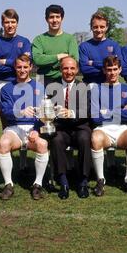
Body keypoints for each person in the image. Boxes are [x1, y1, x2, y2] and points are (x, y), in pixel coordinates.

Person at [0, 54, 48, 200]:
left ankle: (37, 184)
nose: (22, 70)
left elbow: (44, 113)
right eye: (19, 67)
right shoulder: (6, 88)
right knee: (4, 143)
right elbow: (6, 112)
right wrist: (19, 112)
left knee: (43, 144)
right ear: (14, 67)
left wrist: (36, 130)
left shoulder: (39, 87)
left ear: (30, 67)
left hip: (33, 127)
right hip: (14, 128)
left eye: (25, 67)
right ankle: (8, 184)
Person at [90, 56, 127, 196]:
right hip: (103, 129)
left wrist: (107, 112)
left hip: (123, 129)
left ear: (120, 70)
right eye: (109, 70)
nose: (112, 73)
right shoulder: (96, 89)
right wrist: (121, 109)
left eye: (115, 69)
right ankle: (100, 179)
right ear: (104, 70)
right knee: (95, 139)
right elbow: (95, 118)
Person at [46, 56, 92, 199]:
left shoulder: (84, 87)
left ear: (77, 70)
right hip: (61, 128)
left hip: (80, 127)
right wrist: (52, 112)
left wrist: (71, 113)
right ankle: (63, 181)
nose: (69, 71)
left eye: (72, 68)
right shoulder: (52, 87)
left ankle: (83, 182)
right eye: (65, 68)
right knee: (56, 139)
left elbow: (88, 111)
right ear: (61, 69)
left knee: (85, 139)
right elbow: (47, 110)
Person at [32, 4, 79, 86]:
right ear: (46, 19)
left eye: (57, 17)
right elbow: (37, 59)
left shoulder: (70, 39)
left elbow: (74, 60)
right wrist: (59, 56)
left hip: (64, 78)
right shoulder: (39, 39)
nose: (55, 20)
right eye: (51, 17)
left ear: (62, 19)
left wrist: (47, 61)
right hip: (42, 79)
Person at [0, 8, 32, 95]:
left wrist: (5, 61)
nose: (10, 25)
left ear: (17, 23)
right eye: (7, 22)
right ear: (2, 24)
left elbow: (27, 63)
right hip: (2, 83)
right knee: (3, 108)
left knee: (26, 109)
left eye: (13, 22)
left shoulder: (24, 42)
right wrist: (19, 66)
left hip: (23, 83)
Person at [79, 11, 123, 85]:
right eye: (95, 27)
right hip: (90, 86)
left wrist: (93, 63)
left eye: (102, 27)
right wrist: (108, 68)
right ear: (91, 27)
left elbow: (119, 67)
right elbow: (84, 69)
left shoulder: (114, 45)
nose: (99, 30)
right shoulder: (84, 46)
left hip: (110, 86)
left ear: (106, 27)